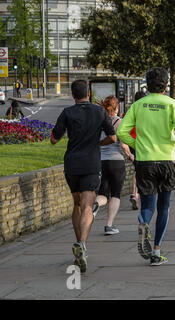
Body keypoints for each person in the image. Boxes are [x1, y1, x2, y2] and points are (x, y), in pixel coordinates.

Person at [117, 67, 175, 266]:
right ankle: (156, 251)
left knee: (148, 205)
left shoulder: (138, 105)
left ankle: (144, 222)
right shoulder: (173, 105)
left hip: (145, 161)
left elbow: (122, 132)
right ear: (166, 85)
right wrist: (173, 143)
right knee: (164, 206)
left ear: (146, 85)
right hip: (166, 160)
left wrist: (138, 144)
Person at [51, 80, 116, 273]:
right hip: (90, 163)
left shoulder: (67, 113)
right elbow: (113, 137)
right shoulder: (100, 112)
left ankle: (79, 245)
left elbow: (54, 139)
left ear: (73, 95)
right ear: (88, 93)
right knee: (88, 205)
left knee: (77, 205)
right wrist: (99, 144)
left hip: (71, 163)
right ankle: (82, 244)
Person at [92, 95, 134, 235]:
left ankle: (96, 204)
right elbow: (123, 145)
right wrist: (130, 156)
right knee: (115, 195)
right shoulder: (119, 122)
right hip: (116, 162)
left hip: (100, 161)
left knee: (103, 193)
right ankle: (109, 226)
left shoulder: (98, 122)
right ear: (116, 108)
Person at [129, 90, 148, 210]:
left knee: (137, 169)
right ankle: (140, 194)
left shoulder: (131, 111)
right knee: (143, 170)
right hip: (144, 143)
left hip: (133, 143)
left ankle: (134, 194)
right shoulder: (147, 112)